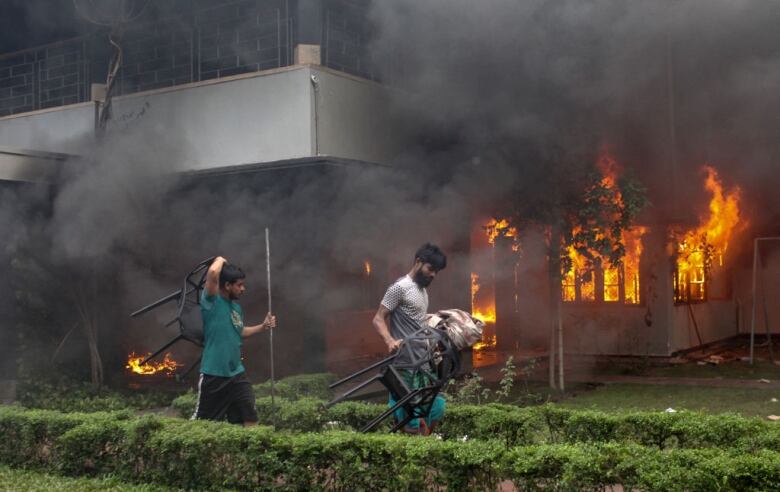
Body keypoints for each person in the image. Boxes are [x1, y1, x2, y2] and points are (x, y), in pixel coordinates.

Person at [191, 256, 276, 426]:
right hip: (214, 373)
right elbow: (214, 272)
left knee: (249, 416)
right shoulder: (211, 301)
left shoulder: (236, 308)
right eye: (239, 285)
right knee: (204, 425)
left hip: (237, 373)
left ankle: (251, 451)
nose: (243, 289)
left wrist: (262, 326)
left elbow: (238, 331)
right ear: (227, 285)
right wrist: (220, 259)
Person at [372, 243, 447, 435]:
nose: (433, 275)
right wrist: (390, 341)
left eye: (436, 271)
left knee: (435, 406)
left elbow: (418, 322)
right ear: (418, 262)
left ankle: (425, 447)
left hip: (423, 361)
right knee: (409, 413)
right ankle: (412, 452)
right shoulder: (399, 288)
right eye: (431, 269)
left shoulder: (422, 291)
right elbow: (378, 318)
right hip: (405, 361)